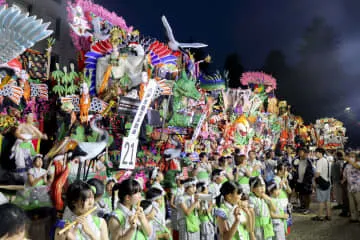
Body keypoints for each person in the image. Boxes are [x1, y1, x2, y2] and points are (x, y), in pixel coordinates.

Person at [312, 148, 332, 221]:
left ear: (320, 153)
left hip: (322, 183)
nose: (315, 154)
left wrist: (314, 179)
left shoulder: (320, 161)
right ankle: (328, 215)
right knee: (327, 200)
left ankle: (319, 216)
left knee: (321, 200)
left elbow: (318, 173)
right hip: (328, 182)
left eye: (316, 152)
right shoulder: (326, 160)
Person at [293, 148, 314, 214]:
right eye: (299, 152)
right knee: (301, 194)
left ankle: (307, 208)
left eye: (301, 152)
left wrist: (308, 181)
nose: (300, 153)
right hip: (299, 181)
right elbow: (294, 167)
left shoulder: (308, 161)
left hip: (306, 182)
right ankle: (302, 206)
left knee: (307, 195)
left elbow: (311, 172)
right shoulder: (298, 160)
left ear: (305, 153)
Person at [342, 152, 360, 223]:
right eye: (350, 156)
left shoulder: (358, 163)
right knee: (352, 204)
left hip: (358, 187)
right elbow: (345, 175)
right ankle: (354, 217)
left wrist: (349, 160)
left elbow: (357, 167)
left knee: (359, 203)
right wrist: (343, 180)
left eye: (353, 157)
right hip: (350, 188)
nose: (351, 158)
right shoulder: (347, 166)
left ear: (356, 157)